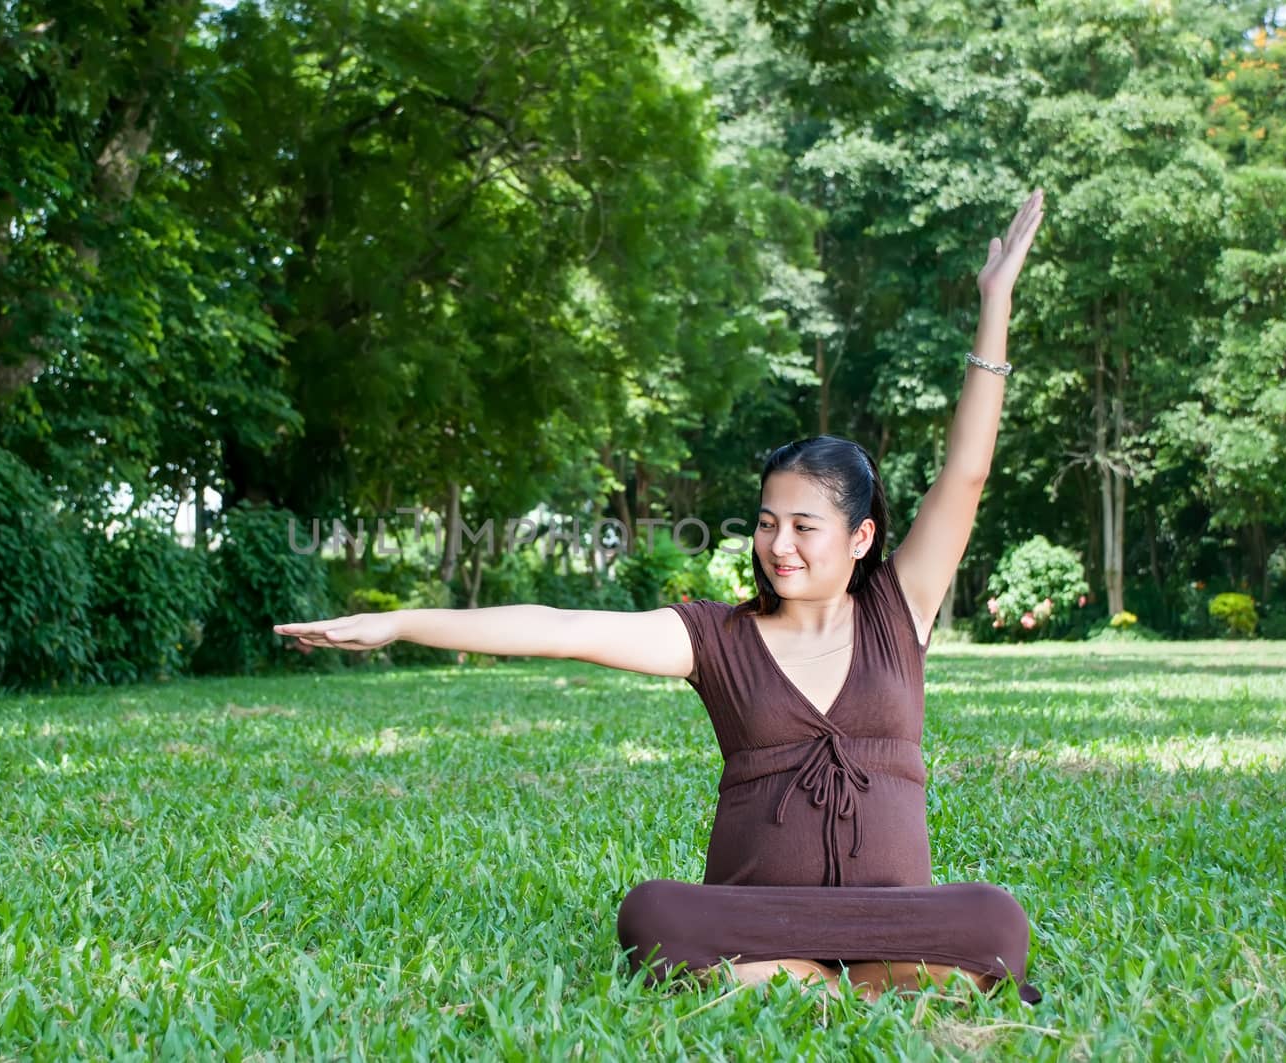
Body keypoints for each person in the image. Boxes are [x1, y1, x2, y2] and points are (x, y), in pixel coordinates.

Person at [275, 189, 1047, 1004]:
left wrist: (994, 304)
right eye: (766, 522)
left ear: (859, 538)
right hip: (755, 914)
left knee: (995, 917)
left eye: (805, 526)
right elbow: (559, 626)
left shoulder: (900, 609)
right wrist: (397, 621)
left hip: (892, 912)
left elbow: (967, 470)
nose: (778, 545)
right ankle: (855, 983)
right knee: (652, 912)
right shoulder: (715, 637)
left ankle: (800, 985)